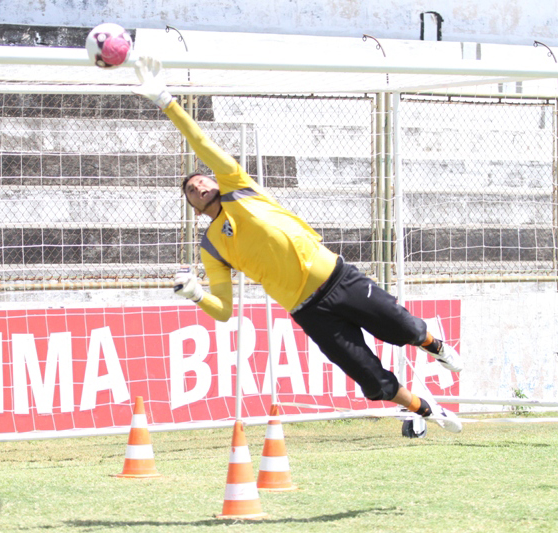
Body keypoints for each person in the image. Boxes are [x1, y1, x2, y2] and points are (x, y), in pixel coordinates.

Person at [133, 57, 463, 433]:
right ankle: (426, 410)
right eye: (191, 190)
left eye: (202, 180)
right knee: (369, 377)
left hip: (340, 280)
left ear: (217, 181)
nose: (199, 186)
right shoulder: (211, 247)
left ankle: (437, 348)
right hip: (310, 312)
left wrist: (166, 101)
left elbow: (201, 141)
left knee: (405, 327)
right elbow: (224, 311)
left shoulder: (239, 186)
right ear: (193, 209)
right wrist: (196, 295)